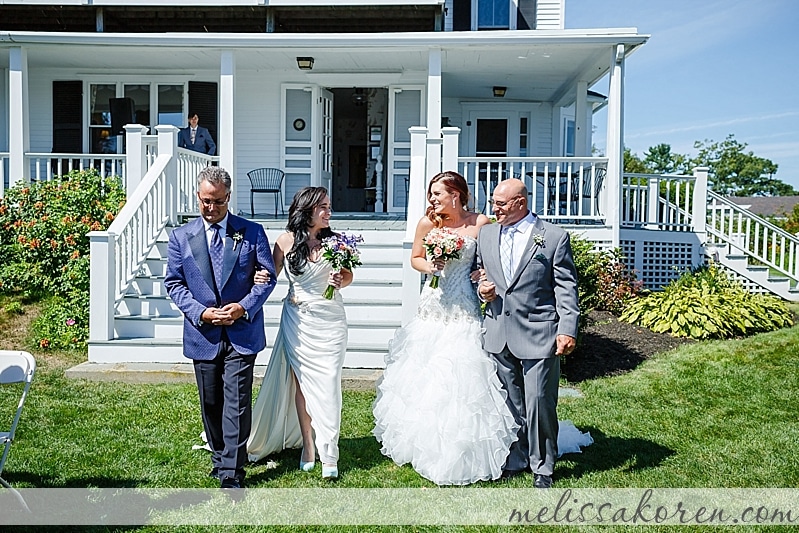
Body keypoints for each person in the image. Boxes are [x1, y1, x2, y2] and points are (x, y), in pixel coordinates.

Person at [372, 171, 520, 486]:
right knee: (426, 372)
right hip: (433, 305)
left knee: (462, 372)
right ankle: (422, 443)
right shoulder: (428, 224)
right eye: (431, 194)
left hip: (464, 305)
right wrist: (430, 266)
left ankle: (464, 445)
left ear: (456, 193)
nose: (433, 200)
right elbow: (415, 258)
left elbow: (488, 260)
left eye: (438, 193)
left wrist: (482, 275)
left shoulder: (480, 223)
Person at [164, 166, 276, 489]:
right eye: (205, 201)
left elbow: (267, 278)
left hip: (242, 332)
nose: (211, 208)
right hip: (203, 333)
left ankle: (232, 471)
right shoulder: (180, 237)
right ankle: (219, 455)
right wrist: (202, 313)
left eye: (217, 202)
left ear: (228, 197)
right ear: (198, 197)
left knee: (237, 401)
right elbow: (174, 283)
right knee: (210, 402)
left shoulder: (252, 232)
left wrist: (244, 307)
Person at [477, 178, 581, 489]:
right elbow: (482, 271)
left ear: (520, 203)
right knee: (510, 401)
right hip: (498, 330)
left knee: (540, 401)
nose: (494, 209)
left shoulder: (552, 237)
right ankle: (517, 458)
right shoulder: (487, 233)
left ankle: (543, 467)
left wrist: (567, 329)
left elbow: (566, 288)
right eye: (494, 202)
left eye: (501, 203)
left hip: (540, 331)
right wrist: (482, 287)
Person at [247, 187, 352, 480]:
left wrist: (341, 279)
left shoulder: (338, 242)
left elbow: (348, 275)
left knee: (329, 383)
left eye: (329, 206)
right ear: (306, 210)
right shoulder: (285, 241)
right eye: (323, 207)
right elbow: (269, 276)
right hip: (298, 320)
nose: (328, 212)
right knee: (302, 385)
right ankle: (308, 446)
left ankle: (329, 451)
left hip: (330, 321)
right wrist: (259, 276)